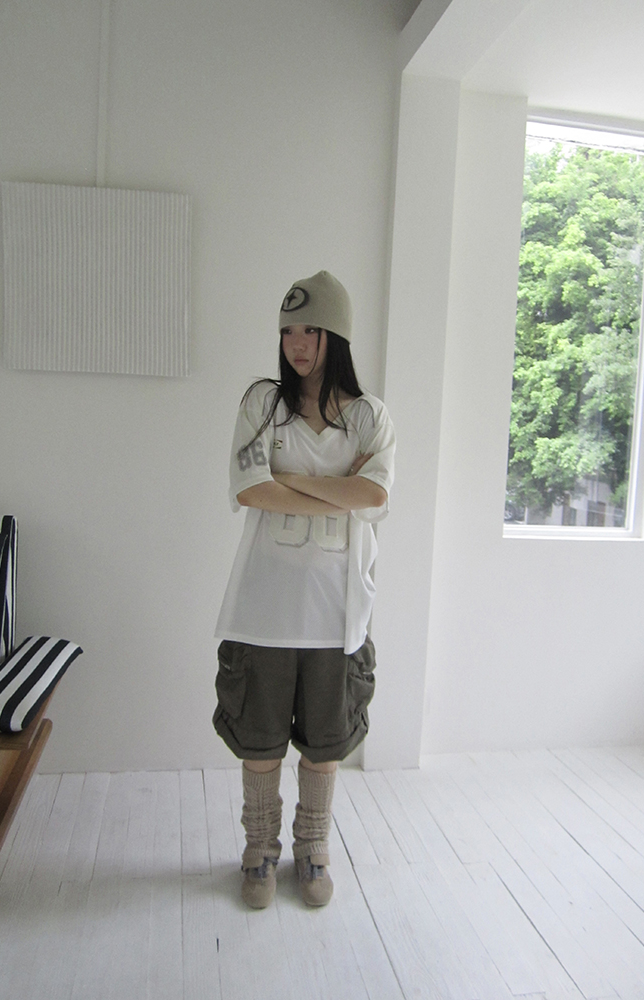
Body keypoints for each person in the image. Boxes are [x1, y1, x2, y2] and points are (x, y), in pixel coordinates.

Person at [213, 270, 395, 909]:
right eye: (289, 330)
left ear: (335, 336)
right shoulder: (262, 404)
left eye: (311, 330)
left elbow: (373, 495)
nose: (297, 343)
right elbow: (249, 489)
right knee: (259, 741)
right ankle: (259, 849)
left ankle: (313, 846)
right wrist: (336, 489)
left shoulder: (369, 417)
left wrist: (287, 478)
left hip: (338, 612)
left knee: (325, 743)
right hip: (263, 607)